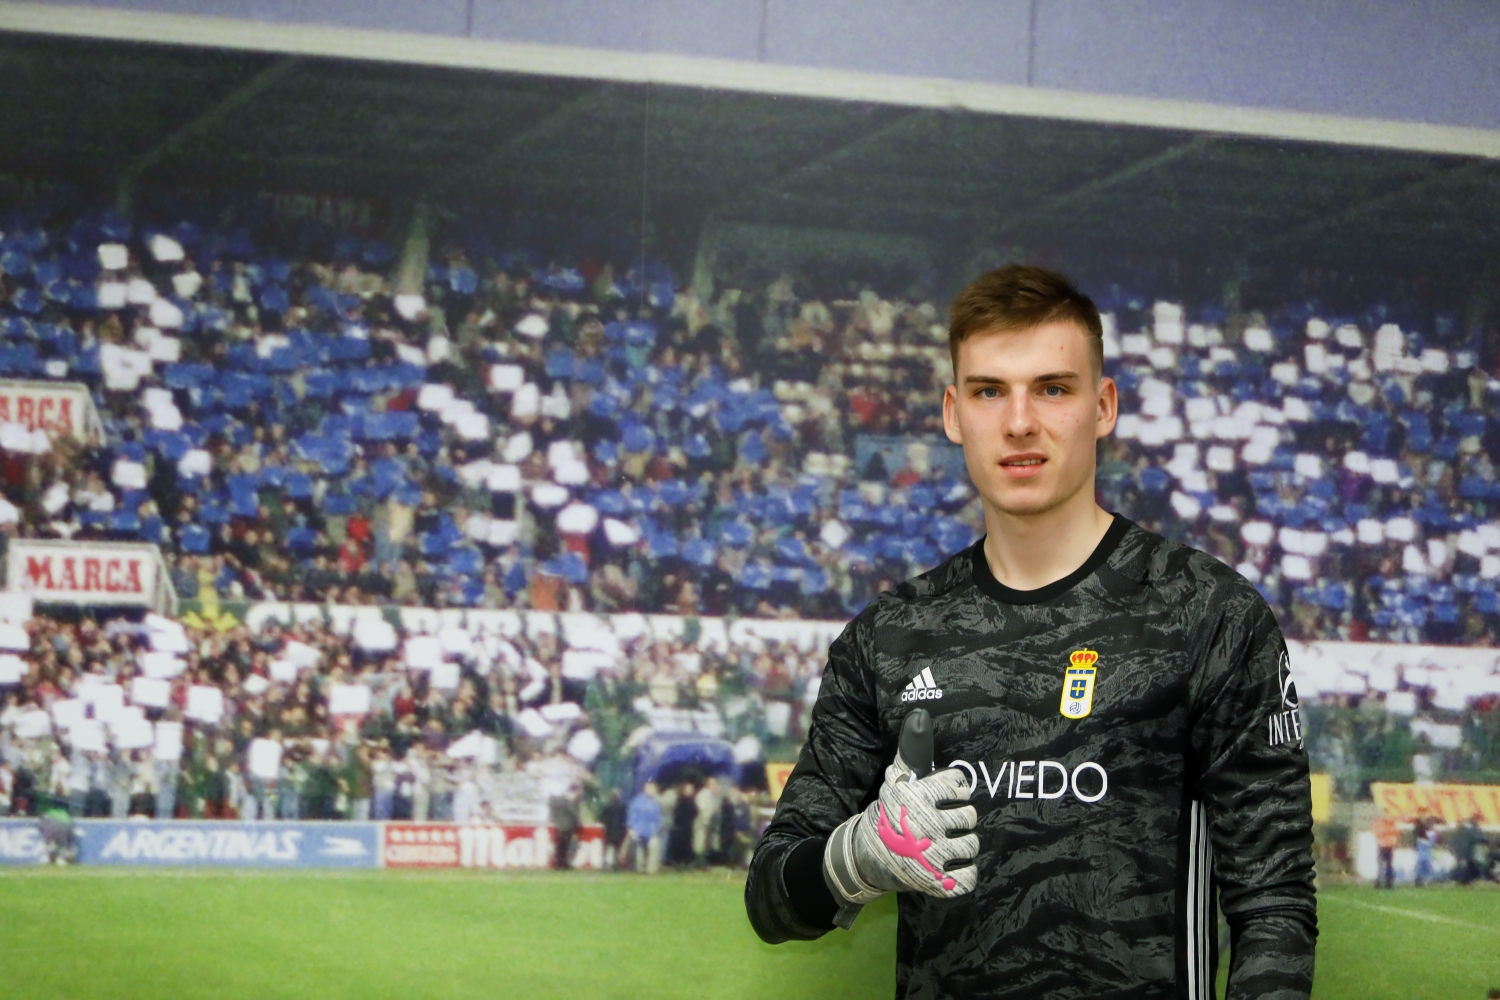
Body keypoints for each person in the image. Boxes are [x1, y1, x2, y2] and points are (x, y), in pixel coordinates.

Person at [745, 264, 1318, 999]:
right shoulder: (888, 637)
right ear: (954, 414)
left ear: (1103, 405)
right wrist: (854, 859)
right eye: (989, 392)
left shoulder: (1207, 614)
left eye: (1053, 388)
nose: (1020, 422)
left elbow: (1275, 905)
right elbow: (771, 897)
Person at [626, 782, 663, 874]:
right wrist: (631, 828)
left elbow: (657, 818)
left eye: (653, 789)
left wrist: (656, 829)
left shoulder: (655, 803)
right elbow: (632, 815)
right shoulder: (637, 801)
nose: (652, 791)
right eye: (650, 788)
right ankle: (640, 869)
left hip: (652, 831)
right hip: (638, 830)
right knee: (639, 850)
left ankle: (651, 869)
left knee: (653, 848)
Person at [1373, 814, 1399, 889]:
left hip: (1389, 845)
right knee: (1381, 865)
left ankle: (1388, 883)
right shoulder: (1379, 823)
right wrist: (1387, 832)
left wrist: (1386, 832)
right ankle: (1379, 882)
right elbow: (1378, 833)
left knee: (1389, 865)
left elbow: (1395, 832)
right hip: (1382, 845)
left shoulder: (1392, 823)